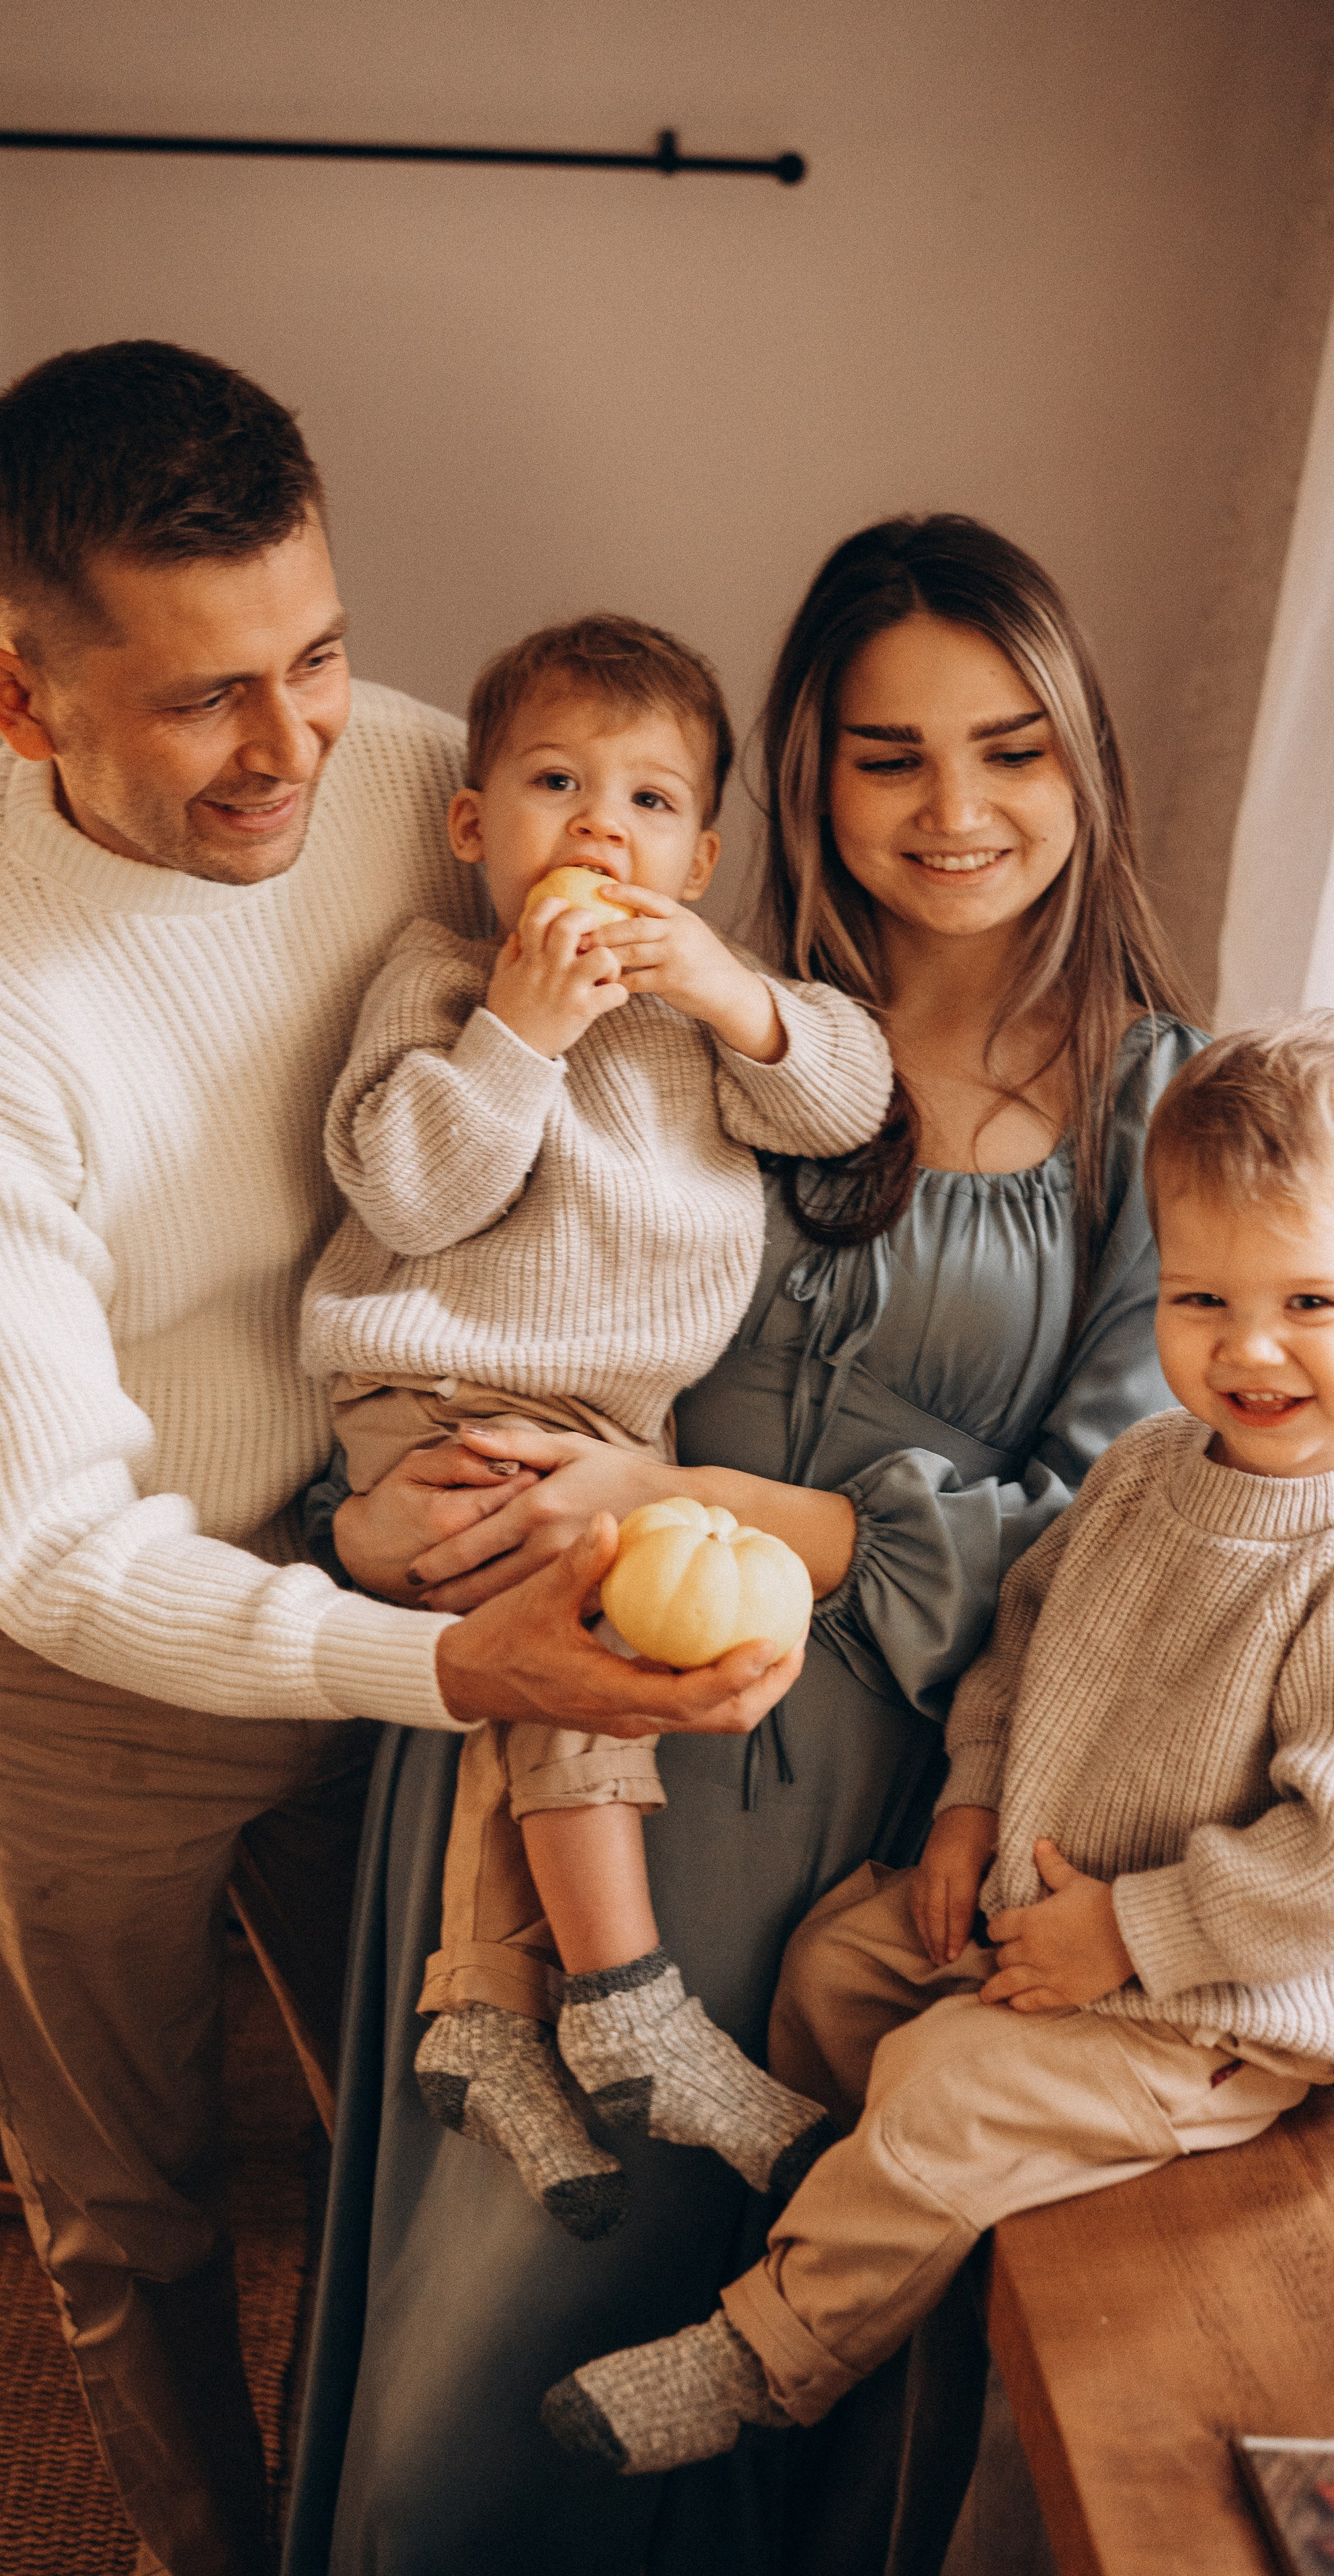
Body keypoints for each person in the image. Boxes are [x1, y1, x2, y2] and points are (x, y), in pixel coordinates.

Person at [0, 341, 799, 2576]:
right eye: (199, 699)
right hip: (99, 1679)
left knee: (431, 2145)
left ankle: (394, 2527)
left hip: (432, 1560)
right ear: (18, 692)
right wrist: (447, 1666)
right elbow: (57, 1545)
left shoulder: (433, 774)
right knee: (130, 2212)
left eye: (318, 654)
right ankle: (208, 2559)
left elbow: (655, 1070)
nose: (292, 746)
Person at [282, 513, 1204, 2576]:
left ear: (1086, 763)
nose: (955, 812)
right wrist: (359, 1517)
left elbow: (1124, 1534)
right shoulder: (675, 1013)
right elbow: (435, 1288)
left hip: (863, 1774)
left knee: (716, 2376)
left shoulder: (1159, 1109)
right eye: (889, 756)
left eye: (1010, 749)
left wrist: (704, 1506)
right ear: (802, 776)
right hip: (550, 1693)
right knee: (468, 2393)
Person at [542, 1012, 1334, 2472]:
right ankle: (861, 2239)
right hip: (1047, 1899)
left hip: (1231, 1997)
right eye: (1201, 1298)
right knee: (832, 1964)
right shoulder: (1145, 1471)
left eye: (1311, 1303)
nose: (1247, 1348)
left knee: (946, 2085)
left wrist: (1128, 1934)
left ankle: (769, 2354)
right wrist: (967, 1811)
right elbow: (1025, 1641)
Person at [301, 612, 894, 2236]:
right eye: (555, 785)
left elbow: (846, 1104)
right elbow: (407, 1190)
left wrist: (725, 991)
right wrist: (522, 1032)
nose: (595, 829)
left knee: (555, 1674)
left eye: (644, 802)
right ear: (471, 826)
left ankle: (484, 2010)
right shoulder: (441, 985)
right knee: (589, 1664)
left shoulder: (702, 1013)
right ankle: (624, 1998)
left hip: (599, 1412)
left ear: (695, 858)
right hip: (443, 1385)